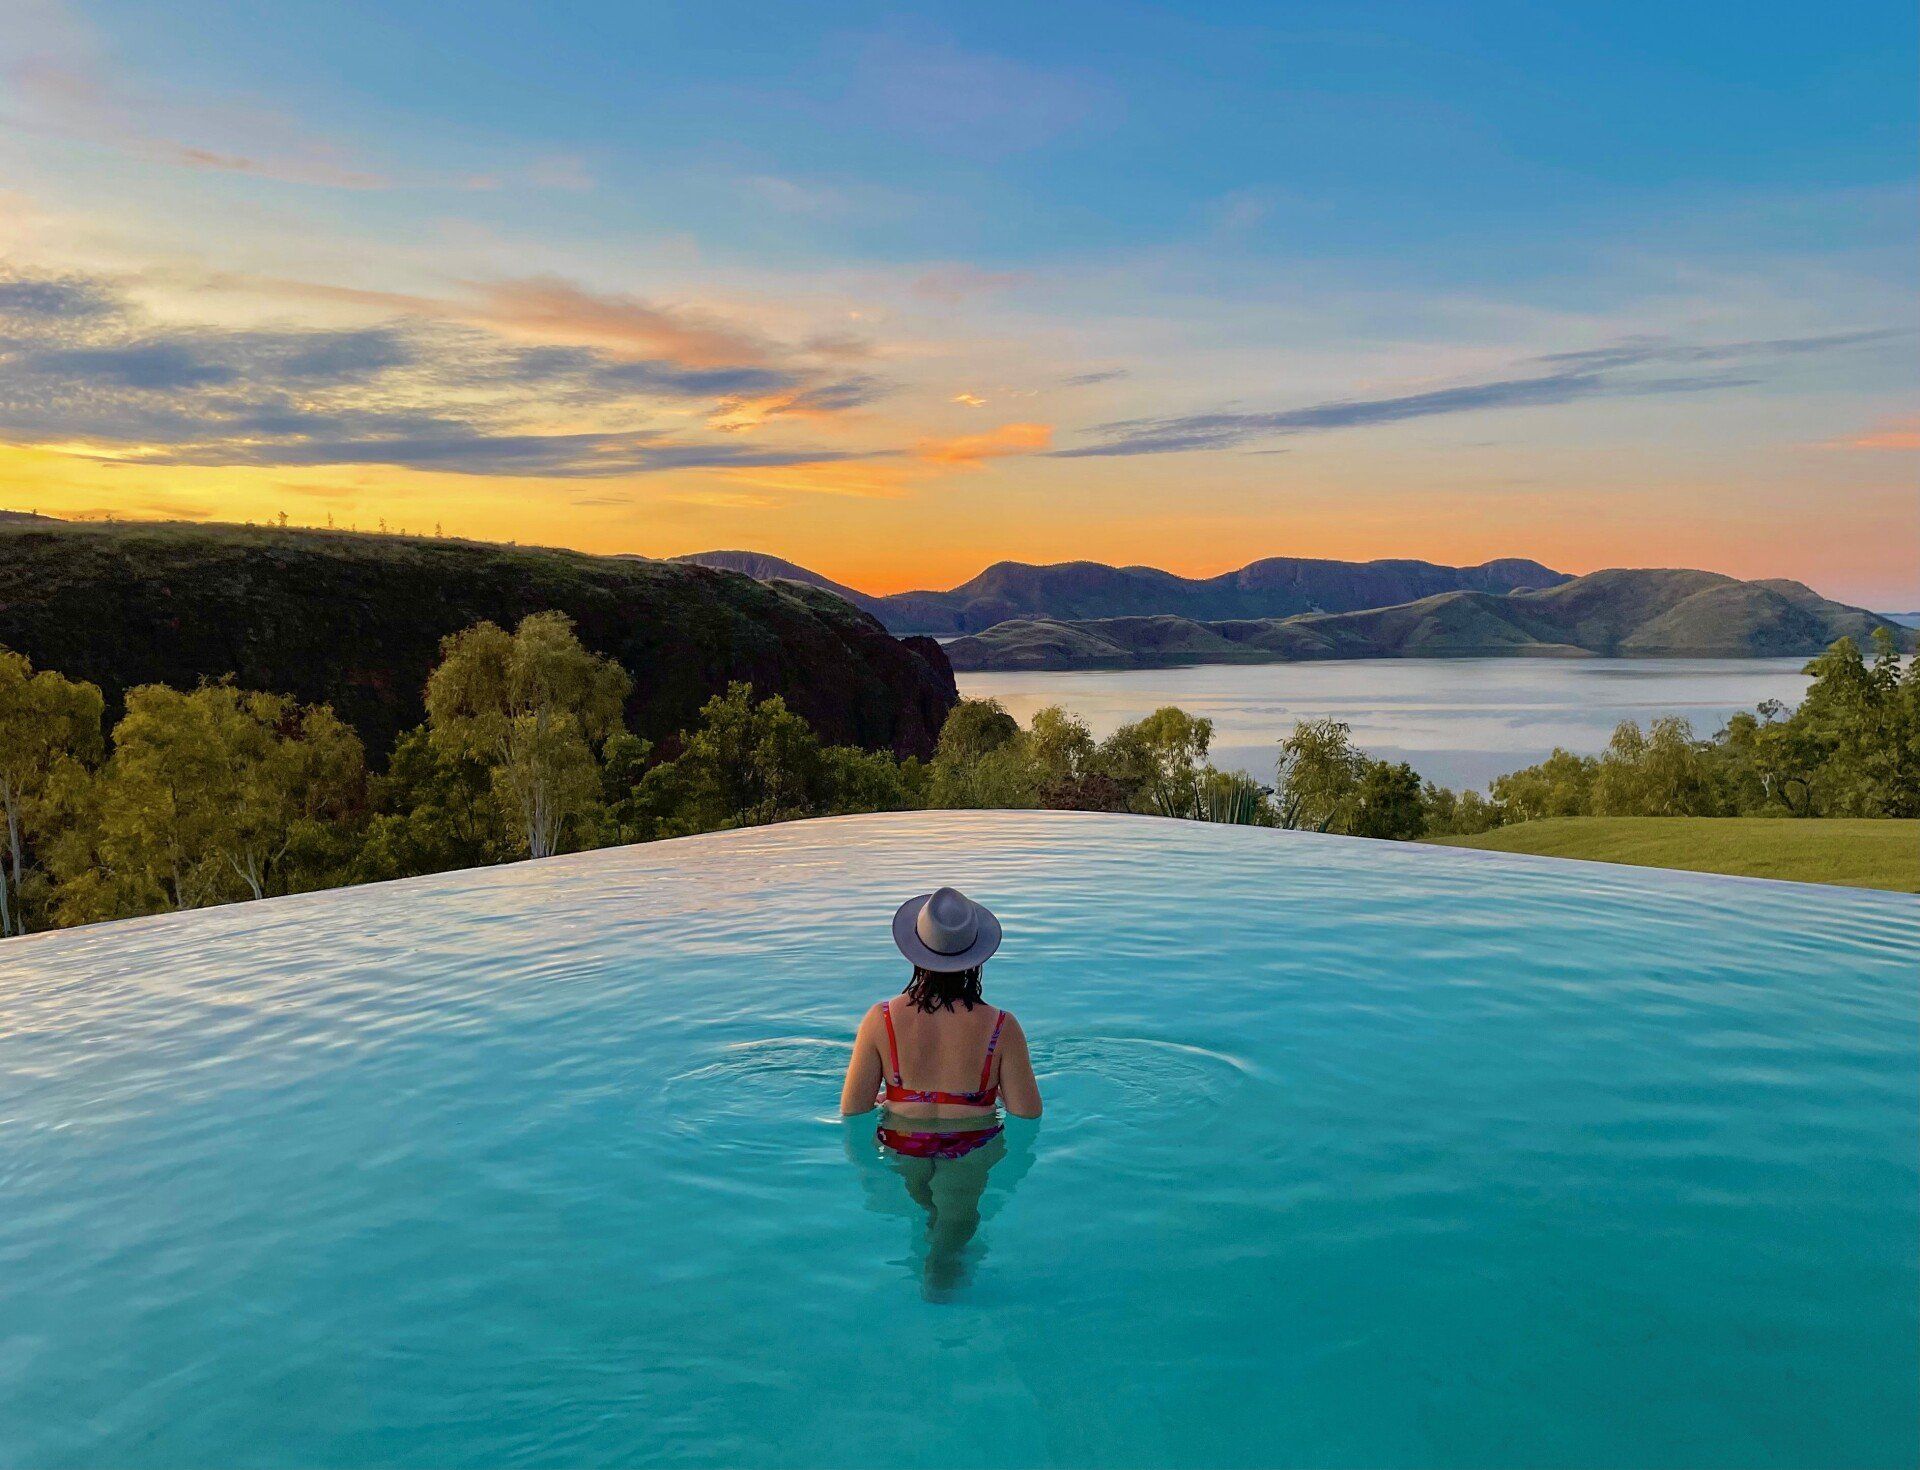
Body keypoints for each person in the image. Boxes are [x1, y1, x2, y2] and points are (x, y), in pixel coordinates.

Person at [840, 886, 1042, 1144]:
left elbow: (853, 1111)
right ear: (976, 957)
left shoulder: (881, 1019)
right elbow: (1028, 1114)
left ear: (916, 951)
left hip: (903, 1142)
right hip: (973, 1147)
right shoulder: (1002, 1027)